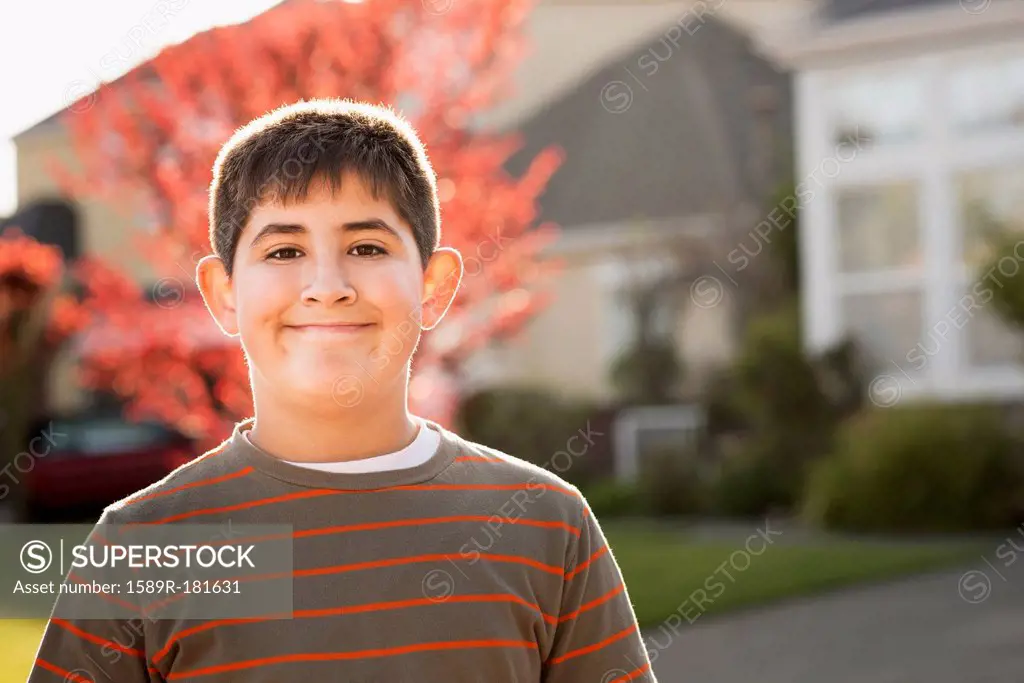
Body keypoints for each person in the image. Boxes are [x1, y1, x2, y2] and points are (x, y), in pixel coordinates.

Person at [28, 98, 657, 682]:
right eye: (283, 252)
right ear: (224, 295)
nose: (327, 286)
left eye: (365, 245)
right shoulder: (149, 547)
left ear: (433, 286)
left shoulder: (548, 525)